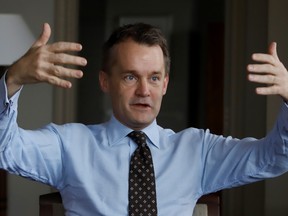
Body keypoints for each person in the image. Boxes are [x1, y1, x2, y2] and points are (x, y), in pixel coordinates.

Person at [1, 22, 288, 216]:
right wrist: (12, 79)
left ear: (164, 84)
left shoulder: (198, 150)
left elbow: (274, 157)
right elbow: (6, 149)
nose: (143, 91)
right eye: (129, 77)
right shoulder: (69, 145)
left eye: (154, 78)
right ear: (105, 81)